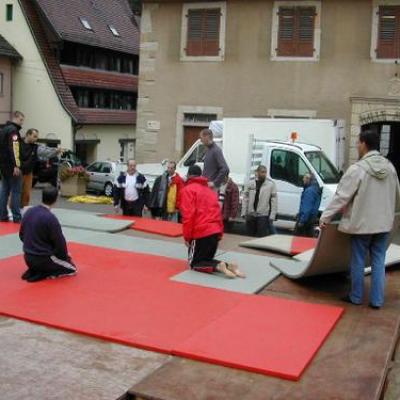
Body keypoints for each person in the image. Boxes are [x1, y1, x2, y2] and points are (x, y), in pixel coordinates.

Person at [320, 130, 400, 309]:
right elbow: (397, 195)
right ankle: (377, 301)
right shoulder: (390, 167)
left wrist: (325, 217)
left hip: (362, 224)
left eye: (358, 142)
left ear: (364, 143)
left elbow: (342, 196)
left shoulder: (358, 169)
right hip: (383, 224)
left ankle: (356, 296)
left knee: (358, 260)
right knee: (379, 261)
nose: (357, 145)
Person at [180, 165, 245, 278]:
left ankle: (219, 266)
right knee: (206, 259)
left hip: (201, 232)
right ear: (201, 175)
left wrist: (187, 237)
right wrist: (219, 233)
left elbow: (188, 216)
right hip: (214, 231)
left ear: (189, 176)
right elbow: (217, 212)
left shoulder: (188, 190)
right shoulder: (210, 191)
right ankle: (229, 266)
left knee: (194, 263)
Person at [19, 187, 77, 282]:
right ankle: (46, 272)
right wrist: (65, 257)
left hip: (27, 257)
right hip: (42, 259)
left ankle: (38, 270)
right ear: (55, 199)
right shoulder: (50, 218)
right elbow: (59, 243)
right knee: (72, 269)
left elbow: (22, 235)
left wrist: (32, 245)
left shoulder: (29, 212)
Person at [20, 128, 63, 207]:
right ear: (28, 135)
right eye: (34, 136)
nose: (36, 139)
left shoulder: (36, 147)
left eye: (37, 137)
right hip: (18, 173)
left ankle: (23, 210)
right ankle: (11, 211)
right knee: (15, 194)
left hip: (28, 173)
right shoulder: (19, 144)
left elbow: (45, 152)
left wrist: (56, 151)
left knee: (26, 195)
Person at [0, 111, 24, 223]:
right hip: (12, 166)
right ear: (16, 118)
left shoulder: (3, 130)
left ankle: (2, 215)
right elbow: (14, 148)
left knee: (4, 190)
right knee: (16, 191)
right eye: (21, 119)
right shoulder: (13, 131)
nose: (22, 122)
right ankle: (17, 217)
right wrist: (17, 165)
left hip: (3, 166)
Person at [242, 165, 277, 237]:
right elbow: (245, 198)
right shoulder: (250, 183)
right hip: (251, 214)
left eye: (265, 172)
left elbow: (274, 201)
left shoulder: (270, 184)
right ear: (257, 172)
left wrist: (272, 215)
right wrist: (243, 212)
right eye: (262, 172)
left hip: (263, 215)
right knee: (249, 236)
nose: (264, 174)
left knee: (261, 237)